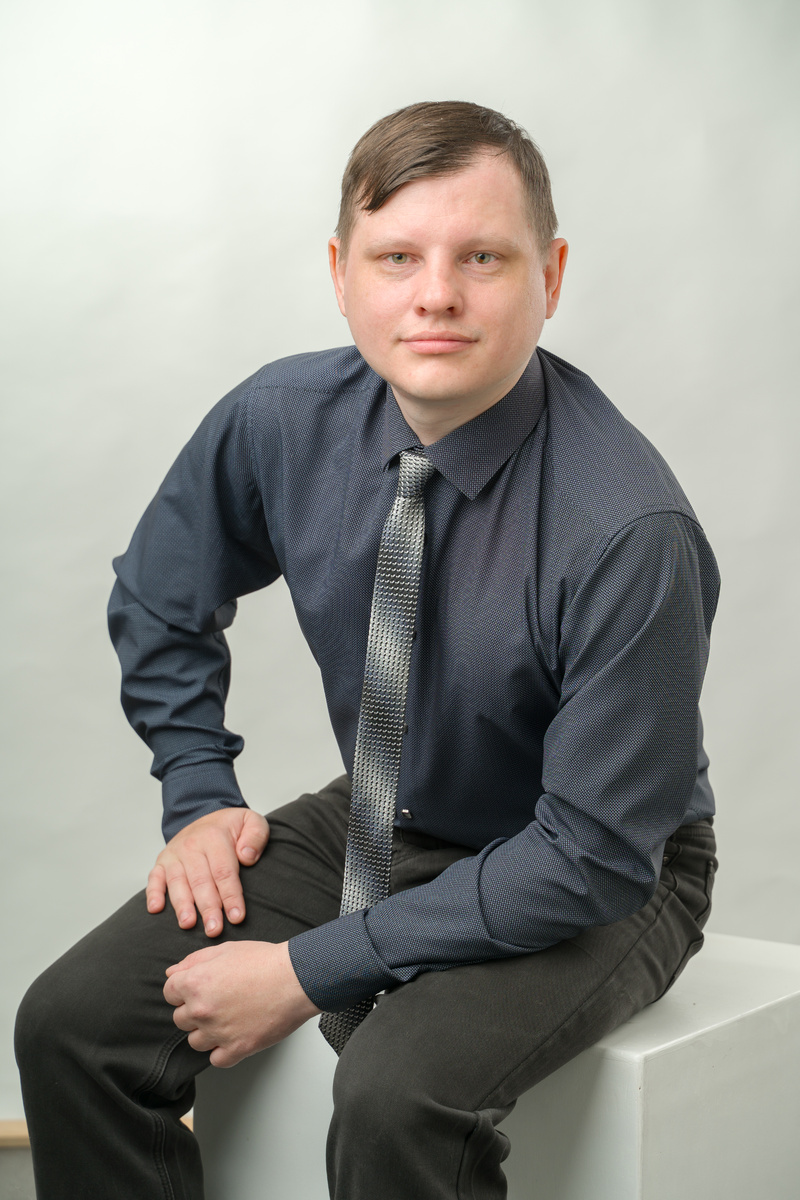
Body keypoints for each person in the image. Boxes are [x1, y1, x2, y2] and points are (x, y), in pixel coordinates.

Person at [15, 100, 720, 1199]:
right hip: (393, 811)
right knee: (71, 1026)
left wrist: (306, 970)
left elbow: (589, 853)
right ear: (342, 273)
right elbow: (159, 595)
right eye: (397, 257)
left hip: (605, 864)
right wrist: (198, 794)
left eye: (482, 257)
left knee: (397, 1095)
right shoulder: (280, 419)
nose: (435, 295)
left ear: (550, 275)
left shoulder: (626, 529)